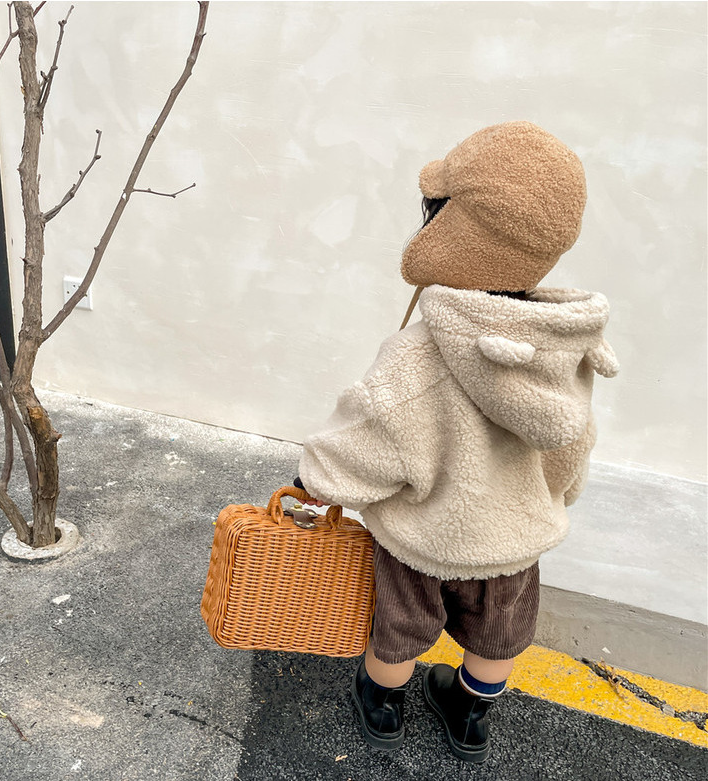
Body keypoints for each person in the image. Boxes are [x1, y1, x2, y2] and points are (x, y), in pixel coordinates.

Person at [293, 121, 619, 763]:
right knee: (499, 636)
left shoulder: (423, 353)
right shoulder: (564, 347)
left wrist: (317, 480)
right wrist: (553, 497)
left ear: (452, 231)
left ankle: (382, 707)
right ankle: (469, 717)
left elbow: (374, 435)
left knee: (400, 628)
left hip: (426, 538)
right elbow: (570, 445)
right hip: (514, 539)